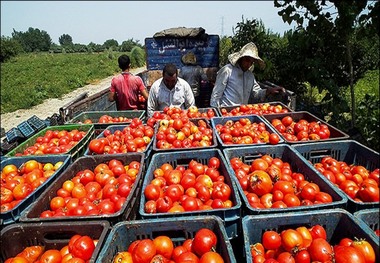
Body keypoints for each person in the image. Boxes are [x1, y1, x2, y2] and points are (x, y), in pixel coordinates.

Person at [210, 42, 285, 107]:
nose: (248, 64)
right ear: (241, 58)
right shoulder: (227, 70)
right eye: (247, 60)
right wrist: (217, 113)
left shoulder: (250, 76)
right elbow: (216, 95)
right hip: (226, 111)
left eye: (251, 62)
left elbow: (256, 93)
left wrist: (268, 91)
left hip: (242, 113)